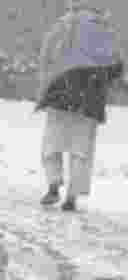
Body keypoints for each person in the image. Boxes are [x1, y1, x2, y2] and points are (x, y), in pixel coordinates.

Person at [36, 1, 124, 211]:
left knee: (52, 141)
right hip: (90, 98)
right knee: (81, 148)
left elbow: (46, 56)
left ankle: (53, 183)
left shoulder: (64, 24)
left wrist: (47, 83)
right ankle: (72, 196)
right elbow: (117, 67)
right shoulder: (106, 31)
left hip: (61, 91)